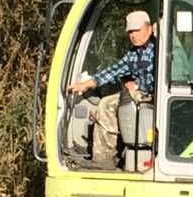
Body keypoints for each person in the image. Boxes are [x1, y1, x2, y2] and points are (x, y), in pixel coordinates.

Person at [65, 9, 156, 166]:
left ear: (149, 28)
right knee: (105, 103)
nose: (133, 35)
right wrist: (87, 84)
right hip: (138, 93)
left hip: (154, 95)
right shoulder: (134, 53)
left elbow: (164, 78)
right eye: (130, 32)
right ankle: (103, 159)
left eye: (137, 30)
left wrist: (138, 84)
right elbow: (114, 70)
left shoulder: (159, 49)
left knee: (117, 103)